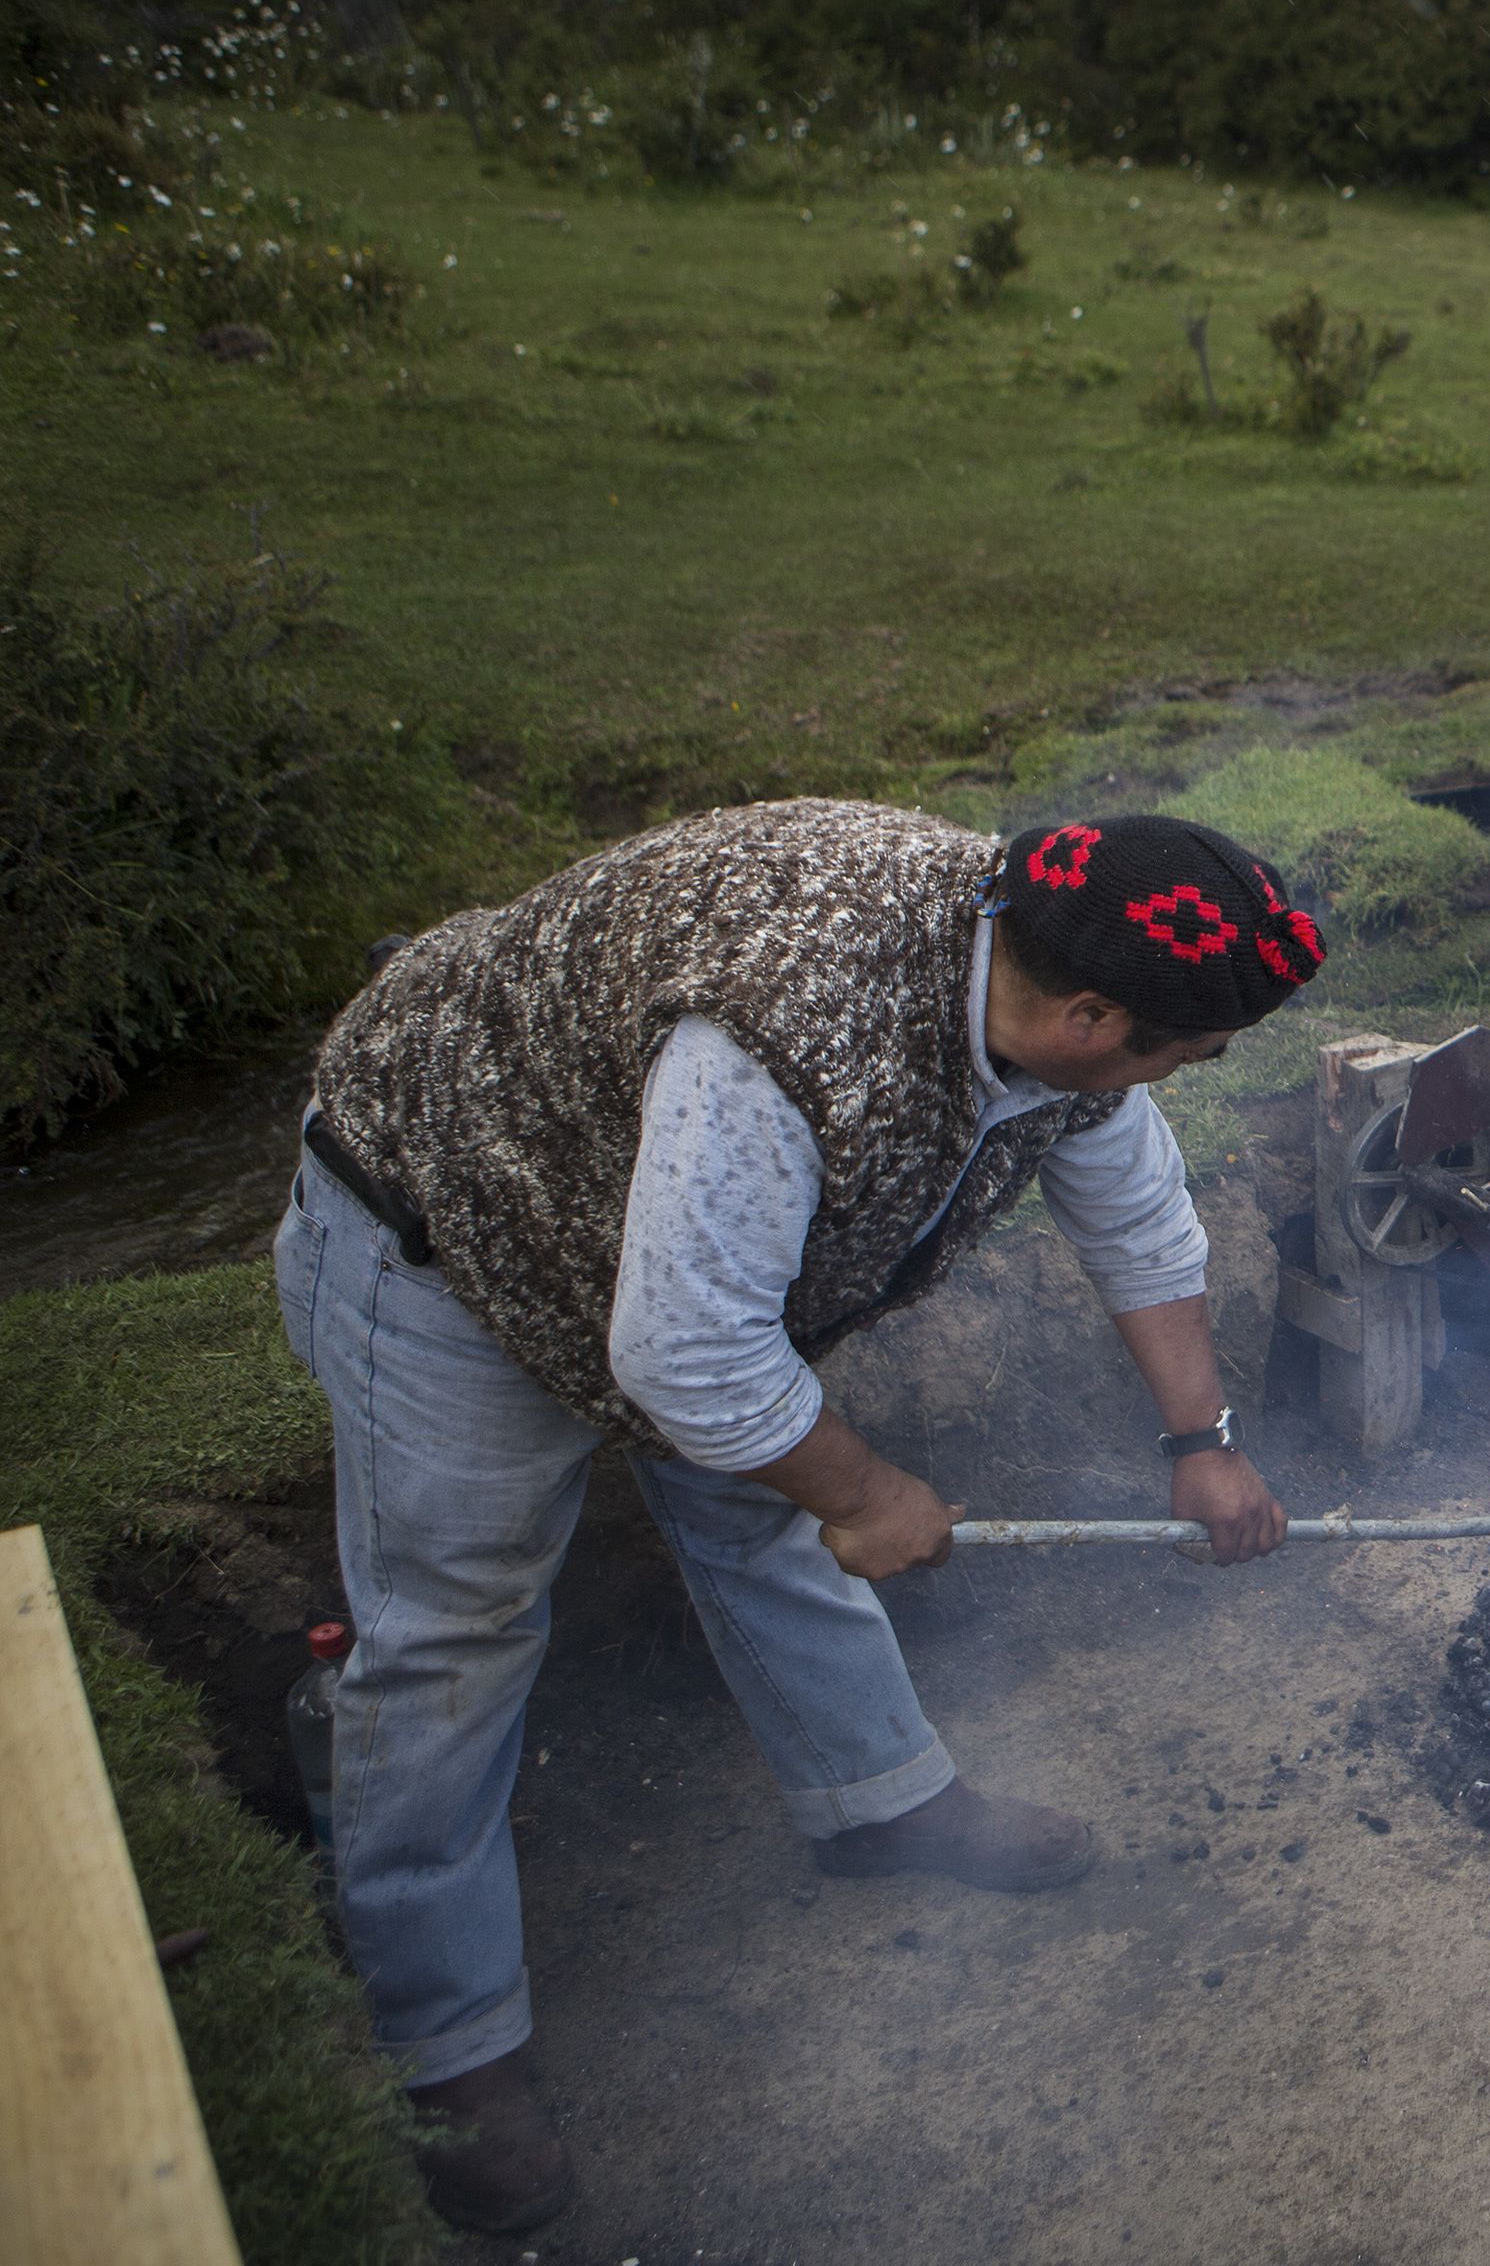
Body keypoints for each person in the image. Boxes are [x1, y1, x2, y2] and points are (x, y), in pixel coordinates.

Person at [277, 801, 1320, 2233]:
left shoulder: (1050, 989)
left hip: (669, 1237)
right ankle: (445, 2050)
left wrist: (1200, 1442)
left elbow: (1136, 1223)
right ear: (1089, 1017)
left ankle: (879, 1803)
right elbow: (688, 1358)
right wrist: (874, 1489)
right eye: (1192, 1050)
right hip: (452, 1218)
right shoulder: (784, 1031)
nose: (1198, 1068)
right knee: (449, 1634)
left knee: (759, 1503)